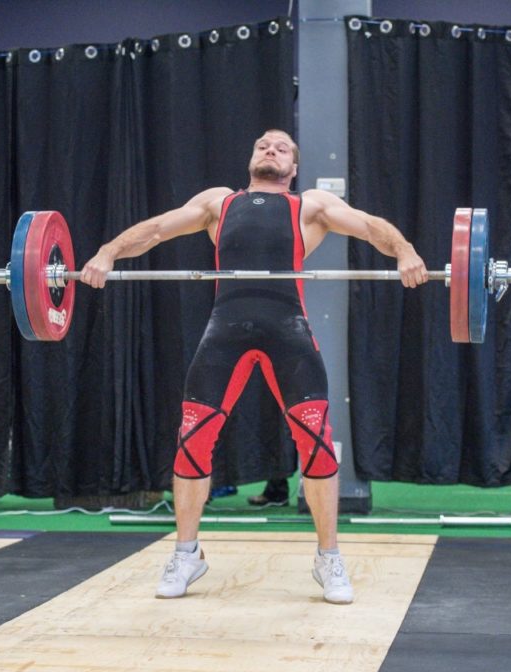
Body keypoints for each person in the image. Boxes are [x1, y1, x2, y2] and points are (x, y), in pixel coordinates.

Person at [81, 130, 428, 604]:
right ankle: (187, 554)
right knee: (191, 439)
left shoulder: (311, 205)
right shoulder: (218, 203)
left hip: (289, 332)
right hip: (225, 333)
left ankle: (329, 558)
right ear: (251, 158)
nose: (271, 150)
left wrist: (406, 251)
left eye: (282, 147)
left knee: (317, 444)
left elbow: (370, 227)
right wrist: (106, 253)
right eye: (263, 145)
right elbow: (158, 228)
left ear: (293, 167)